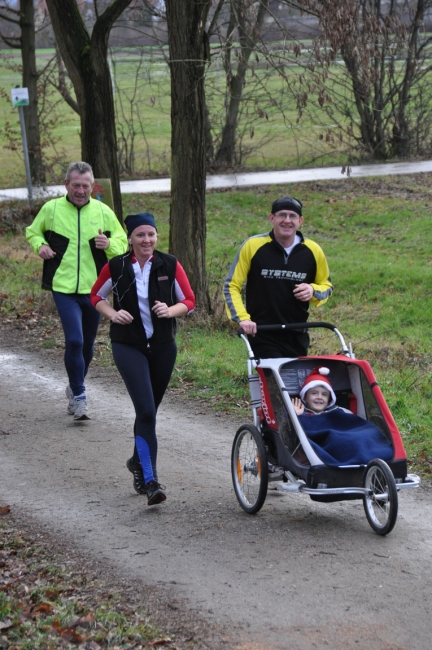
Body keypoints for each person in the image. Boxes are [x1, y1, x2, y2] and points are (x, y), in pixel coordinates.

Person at [90, 212, 195, 506]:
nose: (146, 240)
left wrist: (170, 311)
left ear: (156, 237)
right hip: (128, 345)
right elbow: (95, 296)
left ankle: (137, 461)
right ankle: (150, 480)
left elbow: (189, 300)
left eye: (151, 234)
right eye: (140, 235)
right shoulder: (117, 266)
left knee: (149, 411)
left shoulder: (169, 264)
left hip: (163, 346)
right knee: (146, 412)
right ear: (130, 239)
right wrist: (113, 314)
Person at [26, 161, 128, 420]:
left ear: (93, 186)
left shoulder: (103, 211)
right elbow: (32, 232)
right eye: (76, 185)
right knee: (75, 340)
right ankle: (80, 396)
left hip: (95, 290)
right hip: (62, 287)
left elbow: (122, 241)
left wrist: (109, 244)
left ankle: (73, 386)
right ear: (66, 185)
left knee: (88, 345)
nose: (81, 190)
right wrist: (40, 246)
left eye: (85, 186)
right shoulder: (52, 209)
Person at [223, 196, 333, 358]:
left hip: (297, 333)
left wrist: (313, 290)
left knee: (294, 380)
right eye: (282, 215)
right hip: (262, 332)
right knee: (274, 378)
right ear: (271, 218)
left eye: (292, 216)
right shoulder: (253, 246)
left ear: (300, 220)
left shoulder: (313, 250)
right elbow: (231, 286)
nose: (287, 220)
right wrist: (243, 319)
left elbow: (327, 286)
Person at [291, 367, 393, 466]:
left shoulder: (339, 411)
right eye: (314, 393)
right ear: (305, 396)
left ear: (330, 399)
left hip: (352, 433)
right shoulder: (302, 413)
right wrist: (298, 416)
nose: (319, 397)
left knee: (370, 432)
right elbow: (300, 434)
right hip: (333, 439)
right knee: (345, 440)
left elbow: (354, 424)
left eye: (324, 395)